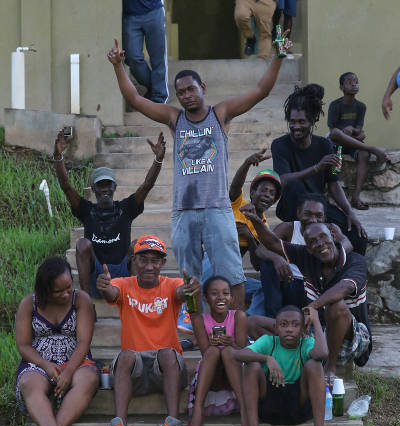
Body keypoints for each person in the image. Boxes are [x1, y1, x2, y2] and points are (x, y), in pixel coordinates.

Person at [107, 35, 292, 310]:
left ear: (202, 87)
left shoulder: (221, 114)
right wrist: (118, 66)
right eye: (180, 92)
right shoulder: (174, 118)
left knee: (234, 276)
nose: (186, 96)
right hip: (184, 211)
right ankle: (197, 330)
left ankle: (236, 335)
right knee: (190, 279)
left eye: (191, 89)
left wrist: (278, 56)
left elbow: (261, 91)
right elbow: (134, 98)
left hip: (217, 208)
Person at [240, 203, 372, 387]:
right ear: (307, 248)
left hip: (350, 340)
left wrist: (312, 307)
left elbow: (344, 288)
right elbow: (271, 243)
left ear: (333, 237)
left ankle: (330, 369)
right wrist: (255, 219)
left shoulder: (354, 260)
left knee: (337, 306)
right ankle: (290, 365)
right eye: (312, 242)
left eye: (323, 237)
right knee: (253, 322)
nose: (319, 244)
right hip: (316, 333)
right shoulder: (308, 256)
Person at [95, 235, 201, 426]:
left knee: (166, 353)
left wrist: (189, 289)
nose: (150, 266)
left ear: (163, 263)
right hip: (137, 371)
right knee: (125, 355)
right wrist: (105, 287)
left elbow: (181, 292)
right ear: (134, 260)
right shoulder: (123, 284)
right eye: (144, 260)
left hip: (167, 369)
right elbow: (113, 292)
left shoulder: (172, 284)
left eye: (155, 260)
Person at [53, 129, 166, 302]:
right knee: (83, 244)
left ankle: (137, 299)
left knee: (138, 244)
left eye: (108, 185)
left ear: (114, 187)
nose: (105, 189)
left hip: (123, 273)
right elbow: (66, 186)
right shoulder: (86, 210)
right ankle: (85, 302)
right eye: (100, 185)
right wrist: (58, 157)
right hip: (96, 275)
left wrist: (158, 160)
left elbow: (147, 185)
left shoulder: (125, 209)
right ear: (94, 189)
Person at [15, 257, 99, 426]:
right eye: (58, 291)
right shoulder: (29, 303)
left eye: (69, 287)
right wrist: (45, 365)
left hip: (76, 362)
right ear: (45, 290)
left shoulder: (81, 300)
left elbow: (83, 342)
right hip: (38, 363)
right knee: (29, 383)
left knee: (89, 379)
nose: (66, 293)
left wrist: (68, 371)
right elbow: (23, 345)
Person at [271, 83, 368, 255]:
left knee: (358, 236)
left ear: (313, 120)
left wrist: (349, 212)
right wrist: (316, 168)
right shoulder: (280, 145)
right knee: (295, 184)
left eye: (301, 122)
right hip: (291, 205)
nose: (296, 126)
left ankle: (349, 276)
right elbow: (283, 180)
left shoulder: (325, 145)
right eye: (292, 122)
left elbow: (333, 184)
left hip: (317, 207)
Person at [249, 193, 353, 336]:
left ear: (324, 217)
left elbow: (347, 244)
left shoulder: (330, 229)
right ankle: (273, 318)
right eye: (307, 214)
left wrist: (326, 252)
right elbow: (261, 249)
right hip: (290, 283)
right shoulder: (288, 228)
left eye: (318, 215)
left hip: (316, 288)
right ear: (298, 213)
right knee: (268, 265)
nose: (313, 219)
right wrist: (277, 259)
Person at [234, 305, 327, 426]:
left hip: (299, 408)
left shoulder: (306, 343)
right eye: (283, 325)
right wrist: (266, 358)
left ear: (303, 329)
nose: (289, 329)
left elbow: (322, 353)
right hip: (269, 407)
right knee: (251, 367)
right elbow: (239, 354)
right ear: (276, 328)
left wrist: (316, 321)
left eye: (295, 325)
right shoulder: (268, 342)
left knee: (314, 365)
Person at [183, 276, 249, 426]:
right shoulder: (199, 320)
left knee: (228, 352)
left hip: (234, 374)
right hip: (211, 377)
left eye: (225, 293)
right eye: (214, 293)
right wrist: (213, 344)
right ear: (205, 298)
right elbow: (206, 354)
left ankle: (245, 412)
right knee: (213, 352)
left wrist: (231, 343)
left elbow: (243, 353)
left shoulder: (238, 317)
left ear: (232, 298)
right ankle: (197, 411)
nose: (221, 297)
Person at [229, 152, 281, 315]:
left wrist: (250, 238)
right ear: (252, 193)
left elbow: (258, 266)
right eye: (263, 190)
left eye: (272, 194)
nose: (267, 194)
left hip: (232, 277)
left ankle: (251, 321)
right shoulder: (238, 205)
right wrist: (247, 163)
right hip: (213, 264)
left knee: (262, 288)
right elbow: (235, 187)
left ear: (273, 202)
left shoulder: (264, 227)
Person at [328, 72, 388, 210]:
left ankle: (356, 196)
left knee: (364, 154)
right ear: (342, 87)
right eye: (350, 82)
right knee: (337, 147)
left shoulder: (361, 106)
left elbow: (359, 131)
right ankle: (336, 196)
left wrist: (352, 130)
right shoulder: (335, 105)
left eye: (356, 81)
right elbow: (333, 131)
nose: (354, 84)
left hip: (353, 141)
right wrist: (347, 131)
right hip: (337, 142)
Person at [122, 0, 169, 103]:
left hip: (154, 11)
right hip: (129, 15)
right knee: (132, 57)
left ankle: (160, 98)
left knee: (158, 58)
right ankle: (154, 88)